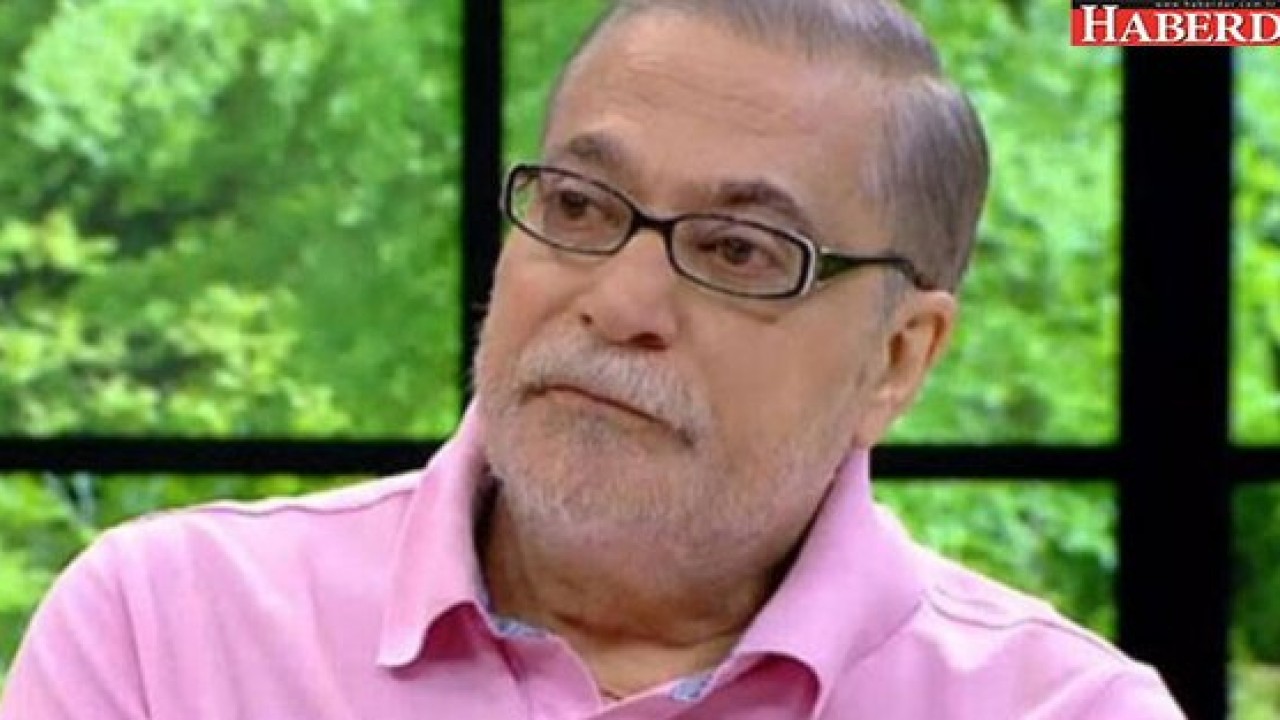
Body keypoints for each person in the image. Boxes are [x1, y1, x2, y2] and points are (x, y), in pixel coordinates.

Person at [0, 1, 1185, 718]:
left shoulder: (1062, 708)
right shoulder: (169, 628)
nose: (618, 303)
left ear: (896, 358)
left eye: (736, 250)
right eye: (576, 206)